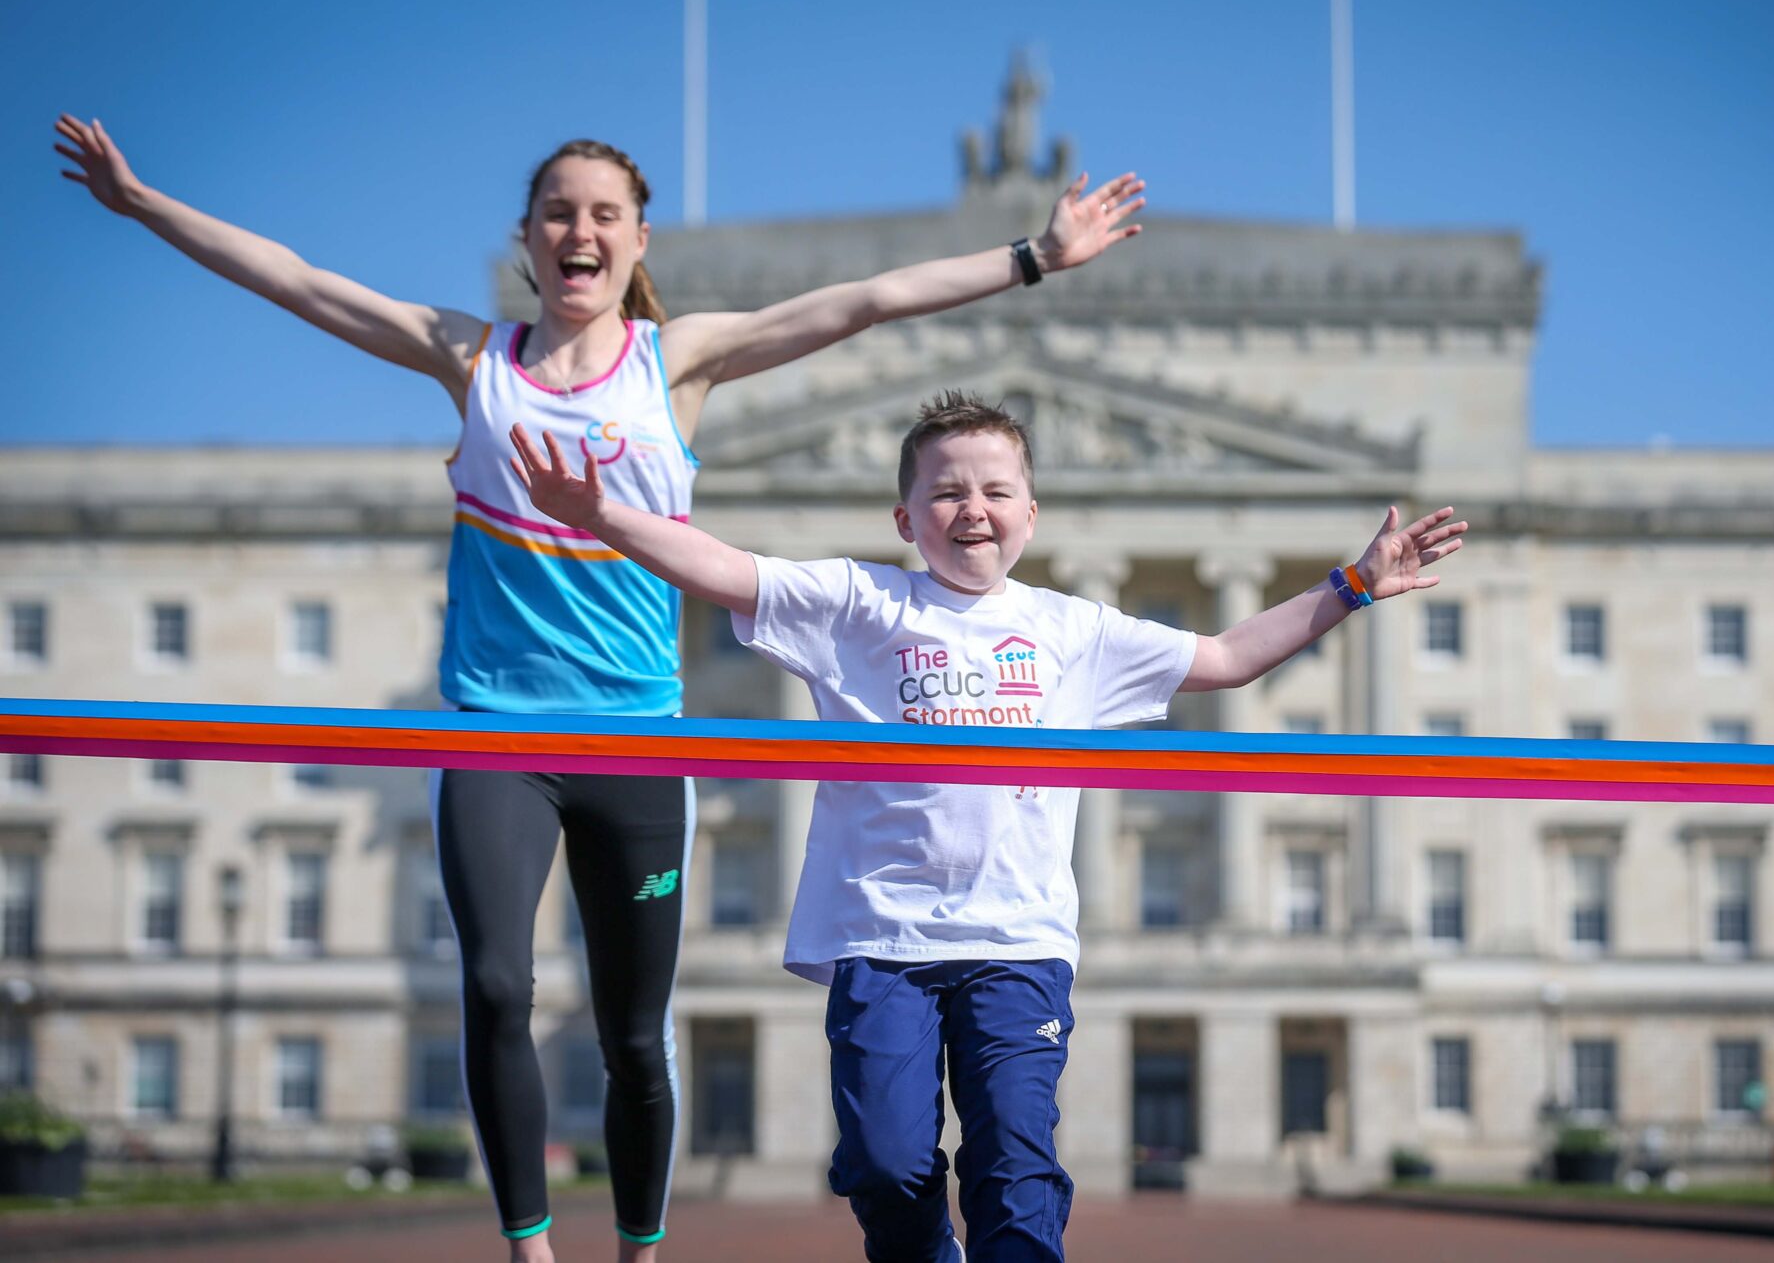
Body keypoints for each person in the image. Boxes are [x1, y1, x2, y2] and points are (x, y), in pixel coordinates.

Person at [52, 115, 1147, 1263]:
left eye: (603, 214)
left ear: (635, 243)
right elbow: (303, 283)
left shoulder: (674, 364)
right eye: (557, 212)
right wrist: (144, 205)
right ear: (527, 240)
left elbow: (860, 301)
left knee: (633, 1033)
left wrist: (1032, 257)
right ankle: (530, 1247)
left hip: (633, 728)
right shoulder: (471, 356)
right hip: (493, 727)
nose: (579, 231)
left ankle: (636, 1244)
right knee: (492, 980)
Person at [510, 392, 1467, 1262]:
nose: (973, 507)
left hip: (1017, 943)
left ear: (1030, 514)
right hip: (880, 937)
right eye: (947, 491)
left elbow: (1224, 656)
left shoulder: (1074, 631)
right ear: (906, 518)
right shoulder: (860, 604)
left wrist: (1352, 584)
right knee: (887, 1165)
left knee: (1015, 1168)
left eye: (996, 489)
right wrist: (600, 514)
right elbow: (723, 569)